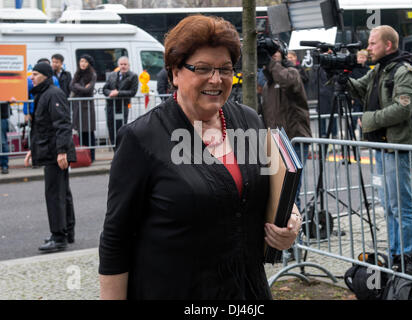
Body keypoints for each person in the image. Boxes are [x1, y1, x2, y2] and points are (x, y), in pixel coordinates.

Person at [98, 15, 301, 300]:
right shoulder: (142, 138)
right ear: (174, 73)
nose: (216, 79)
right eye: (203, 69)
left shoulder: (248, 121)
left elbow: (271, 191)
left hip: (247, 292)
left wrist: (291, 221)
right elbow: (115, 240)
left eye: (225, 69)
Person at [348, 25, 412, 259]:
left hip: (397, 147)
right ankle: (394, 255)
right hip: (382, 147)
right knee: (389, 206)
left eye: (372, 43)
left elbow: (403, 108)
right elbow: (358, 89)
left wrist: (368, 120)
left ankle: (406, 257)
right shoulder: (380, 69)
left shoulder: (403, 71)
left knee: (401, 206)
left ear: (388, 45)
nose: (368, 48)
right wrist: (340, 73)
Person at [24, 62, 77, 253]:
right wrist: (32, 149)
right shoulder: (44, 94)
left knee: (55, 195)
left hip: (56, 153)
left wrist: (62, 151)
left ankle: (58, 236)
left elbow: (62, 124)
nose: (32, 77)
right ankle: (67, 232)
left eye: (36, 74)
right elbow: (41, 127)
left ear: (45, 75)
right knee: (62, 193)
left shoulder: (53, 94)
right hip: (52, 151)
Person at [260, 45, 312, 211]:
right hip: (275, 143)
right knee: (277, 193)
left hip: (294, 141)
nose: (271, 58)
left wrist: (272, 63)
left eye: (274, 53)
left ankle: (296, 236)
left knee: (291, 193)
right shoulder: (268, 84)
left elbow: (286, 81)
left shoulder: (292, 74)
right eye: (268, 55)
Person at [103, 56, 138, 146]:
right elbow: (104, 89)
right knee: (111, 128)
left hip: (123, 106)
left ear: (128, 65)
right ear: (118, 65)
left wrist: (118, 93)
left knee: (121, 129)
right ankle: (115, 150)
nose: (123, 66)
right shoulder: (112, 75)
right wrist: (110, 92)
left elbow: (133, 92)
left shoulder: (133, 76)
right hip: (110, 106)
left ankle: (121, 149)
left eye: (125, 64)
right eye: (121, 64)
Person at [70, 54, 97, 162]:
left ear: (89, 63)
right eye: (81, 61)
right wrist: (79, 87)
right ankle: (84, 157)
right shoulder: (77, 73)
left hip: (87, 108)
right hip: (78, 107)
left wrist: (76, 86)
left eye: (85, 62)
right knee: (80, 132)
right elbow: (71, 86)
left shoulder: (92, 74)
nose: (83, 64)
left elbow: (88, 90)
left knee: (89, 132)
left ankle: (92, 156)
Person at [24, 58, 60, 124]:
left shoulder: (55, 89)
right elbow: (26, 97)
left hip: (48, 113)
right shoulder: (30, 81)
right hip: (34, 111)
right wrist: (26, 113)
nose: (32, 77)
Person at [350, 49, 371, 138]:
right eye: (360, 57)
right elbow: (350, 84)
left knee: (365, 118)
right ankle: (351, 135)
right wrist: (351, 98)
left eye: (363, 57)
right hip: (356, 97)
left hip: (366, 97)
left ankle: (364, 136)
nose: (361, 59)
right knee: (355, 118)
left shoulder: (368, 69)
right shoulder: (353, 69)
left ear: (366, 58)